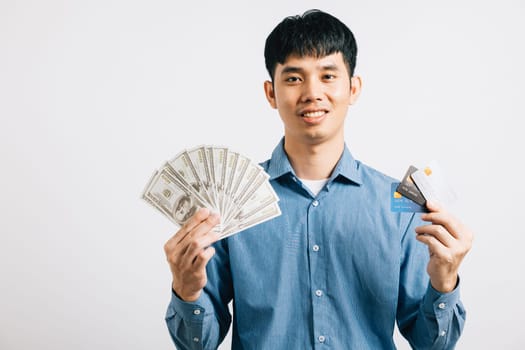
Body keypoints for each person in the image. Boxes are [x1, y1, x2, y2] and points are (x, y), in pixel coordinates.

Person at [163, 9, 473, 349]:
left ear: (353, 88)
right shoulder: (229, 206)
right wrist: (187, 291)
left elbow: (433, 345)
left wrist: (444, 283)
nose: (312, 92)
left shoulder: (399, 205)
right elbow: (197, 345)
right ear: (271, 93)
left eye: (328, 76)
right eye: (294, 78)